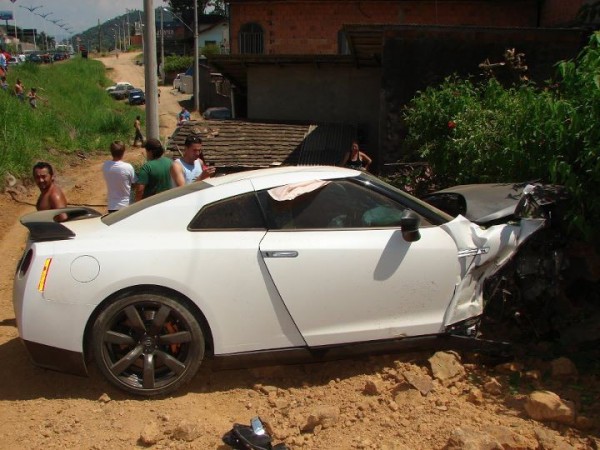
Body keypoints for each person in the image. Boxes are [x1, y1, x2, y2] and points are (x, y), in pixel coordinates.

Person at [102, 140, 136, 213]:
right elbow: (134, 183)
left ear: (111, 152)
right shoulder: (128, 167)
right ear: (123, 152)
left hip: (111, 205)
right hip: (125, 205)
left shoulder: (105, 165)